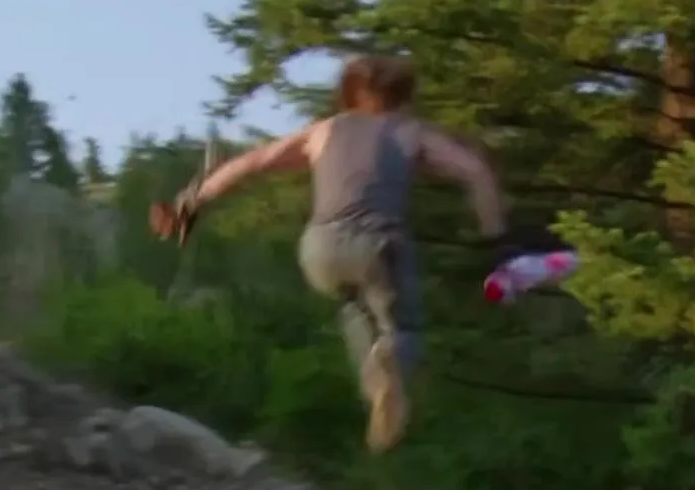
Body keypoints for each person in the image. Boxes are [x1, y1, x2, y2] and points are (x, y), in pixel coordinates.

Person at [149, 55, 509, 454]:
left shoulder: (322, 131)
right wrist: (497, 240)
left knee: (353, 306)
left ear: (349, 94)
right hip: (376, 245)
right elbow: (474, 171)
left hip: (319, 250)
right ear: (403, 96)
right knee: (403, 330)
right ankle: (389, 363)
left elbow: (252, 163)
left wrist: (190, 202)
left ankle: (377, 394)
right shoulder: (410, 131)